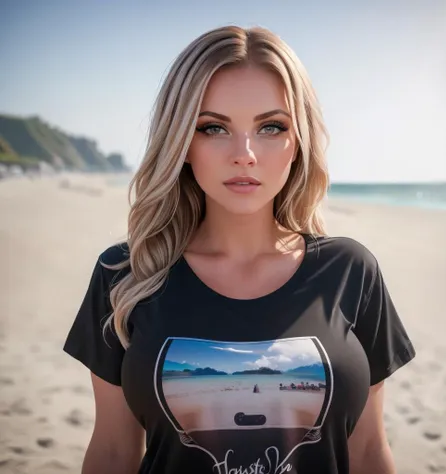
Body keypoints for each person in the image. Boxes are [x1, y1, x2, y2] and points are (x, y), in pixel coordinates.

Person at [63, 25, 416, 474]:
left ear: (299, 142)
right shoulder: (126, 275)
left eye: (271, 126)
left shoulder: (350, 271)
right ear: (182, 143)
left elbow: (368, 449)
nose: (245, 153)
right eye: (213, 127)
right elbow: (113, 451)